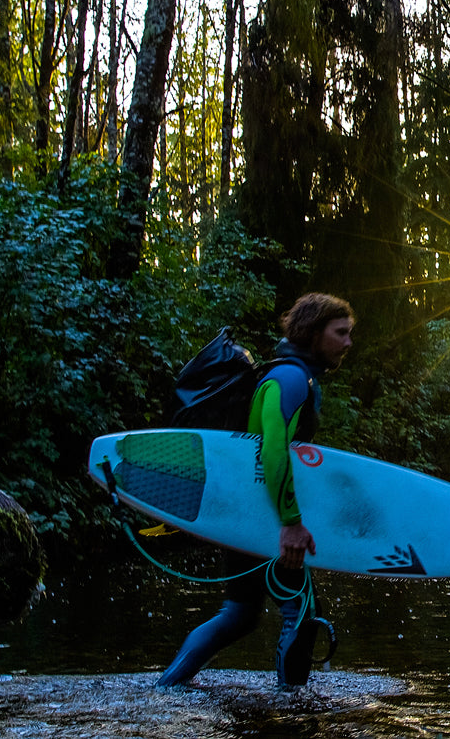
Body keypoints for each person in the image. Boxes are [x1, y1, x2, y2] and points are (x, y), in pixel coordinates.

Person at [157, 292, 355, 688]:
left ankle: (166, 688)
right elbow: (272, 449)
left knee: (241, 615)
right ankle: (292, 709)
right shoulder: (290, 378)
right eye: (341, 333)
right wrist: (291, 523)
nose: (348, 342)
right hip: (265, 519)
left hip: (244, 514)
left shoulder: (288, 373)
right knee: (301, 610)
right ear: (315, 332)